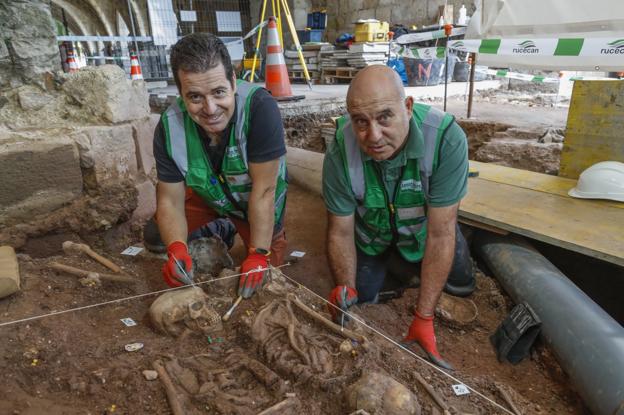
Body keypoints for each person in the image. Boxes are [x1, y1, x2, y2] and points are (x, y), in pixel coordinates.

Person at [322, 65, 475, 369]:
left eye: (384, 117)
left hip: (425, 231)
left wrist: (424, 317)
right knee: (360, 298)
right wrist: (345, 285)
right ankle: (396, 266)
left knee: (462, 286)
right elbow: (340, 231)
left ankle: (409, 265)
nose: (373, 136)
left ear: (407, 107)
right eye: (361, 122)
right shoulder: (341, 148)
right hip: (371, 235)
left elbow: (440, 233)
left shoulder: (445, 139)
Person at [151, 33, 288, 298]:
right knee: (159, 236)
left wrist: (259, 254)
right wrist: (177, 248)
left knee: (265, 278)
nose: (210, 108)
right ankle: (222, 227)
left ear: (234, 82)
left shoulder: (260, 108)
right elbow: (169, 201)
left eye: (218, 92)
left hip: (256, 201)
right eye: (195, 97)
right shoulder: (169, 127)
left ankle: (234, 226)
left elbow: (264, 192)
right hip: (210, 196)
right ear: (180, 94)